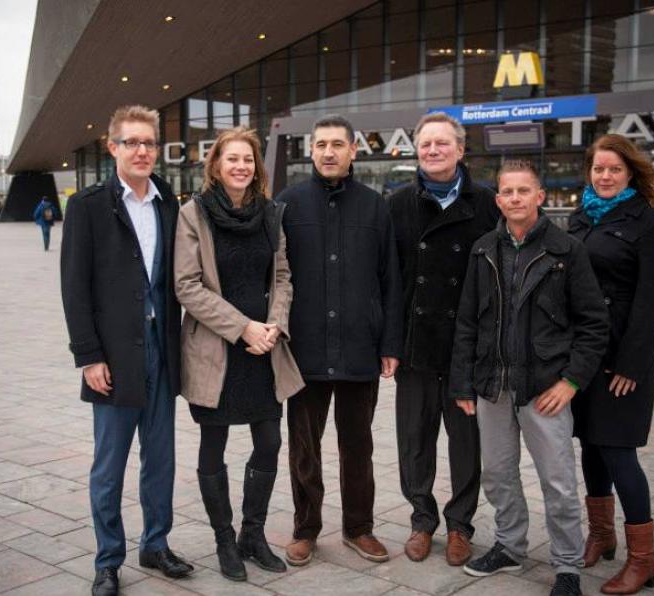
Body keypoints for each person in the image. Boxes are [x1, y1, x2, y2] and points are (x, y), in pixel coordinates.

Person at [449, 159, 608, 596]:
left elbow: (594, 323)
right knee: (498, 475)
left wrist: (571, 381)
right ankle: (510, 546)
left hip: (544, 388)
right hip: (492, 386)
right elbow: (467, 322)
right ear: (497, 200)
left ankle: (567, 566)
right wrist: (463, 383)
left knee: (557, 481)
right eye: (507, 192)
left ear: (540, 196)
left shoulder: (566, 250)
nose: (515, 199)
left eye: (524, 191)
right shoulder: (483, 249)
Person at [60, 105, 192, 596]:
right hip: (113, 360)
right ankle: (108, 560)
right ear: (111, 147)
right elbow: (75, 289)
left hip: (163, 352)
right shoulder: (88, 206)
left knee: (161, 459)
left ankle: (155, 545)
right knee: (109, 466)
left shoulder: (168, 204)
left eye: (149, 143)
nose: (142, 151)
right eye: (131, 142)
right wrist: (89, 356)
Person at [174, 127, 304, 582]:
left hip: (264, 350)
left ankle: (253, 533)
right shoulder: (194, 214)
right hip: (218, 351)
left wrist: (273, 326)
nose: (240, 167)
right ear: (216, 165)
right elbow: (186, 285)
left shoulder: (271, 214)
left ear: (257, 167)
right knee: (214, 445)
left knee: (269, 441)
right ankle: (224, 539)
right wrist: (242, 328)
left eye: (247, 160)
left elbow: (283, 275)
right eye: (231, 159)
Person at [276, 114, 402, 566]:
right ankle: (305, 528)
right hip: (305, 350)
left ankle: (359, 527)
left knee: (358, 446)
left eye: (337, 144)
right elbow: (275, 277)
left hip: (358, 348)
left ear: (353, 150)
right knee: (304, 449)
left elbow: (391, 280)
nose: (329, 152)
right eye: (321, 144)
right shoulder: (287, 204)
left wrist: (390, 344)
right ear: (312, 150)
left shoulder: (375, 206)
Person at [387, 112, 499, 566]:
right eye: (425, 144)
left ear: (460, 149)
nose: (433, 151)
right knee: (414, 438)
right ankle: (421, 519)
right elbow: (389, 281)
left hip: (465, 346)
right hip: (415, 343)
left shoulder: (488, 203)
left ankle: (460, 525)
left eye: (441, 143)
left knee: (465, 441)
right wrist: (389, 345)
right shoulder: (396, 205)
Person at [566, 134, 654, 594]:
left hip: (622, 360)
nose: (605, 176)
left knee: (618, 451)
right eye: (598, 169)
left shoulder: (651, 224)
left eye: (613, 169)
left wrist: (631, 364)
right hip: (583, 355)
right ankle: (602, 536)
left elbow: (652, 303)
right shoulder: (578, 219)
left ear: (630, 172)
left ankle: (644, 558)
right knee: (590, 446)